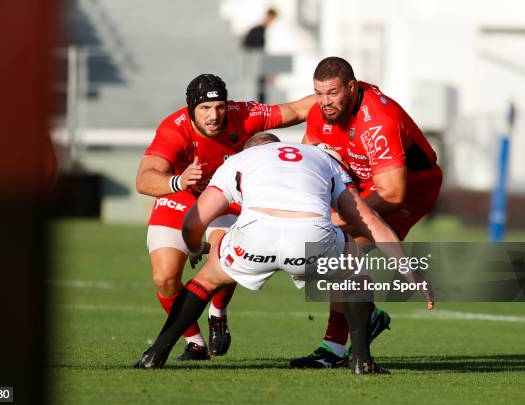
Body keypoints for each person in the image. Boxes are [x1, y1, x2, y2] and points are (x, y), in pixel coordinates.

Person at [134, 134, 434, 374]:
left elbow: (194, 220)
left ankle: (156, 353)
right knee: (352, 265)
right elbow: (368, 221)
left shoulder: (238, 161)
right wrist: (409, 271)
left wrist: (198, 247)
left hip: (256, 237)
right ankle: (361, 360)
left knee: (208, 277)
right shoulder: (321, 157)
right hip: (309, 236)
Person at [136, 74, 315, 360]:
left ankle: (217, 312)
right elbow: (144, 180)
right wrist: (178, 182)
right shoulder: (174, 129)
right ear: (190, 109)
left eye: (219, 106)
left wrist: (343, 94)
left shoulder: (242, 115)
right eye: (205, 109)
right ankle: (195, 343)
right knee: (164, 277)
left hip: (226, 199)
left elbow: (297, 109)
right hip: (181, 195)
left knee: (223, 253)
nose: (214, 115)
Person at [290, 56, 443, 368]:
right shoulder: (321, 113)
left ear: (351, 86)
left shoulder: (379, 121)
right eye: (318, 93)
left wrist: (342, 216)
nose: (324, 102)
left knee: (341, 248)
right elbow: (309, 160)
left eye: (332, 93)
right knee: (333, 247)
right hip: (365, 182)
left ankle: (339, 343)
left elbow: (393, 193)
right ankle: (351, 332)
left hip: (410, 190)